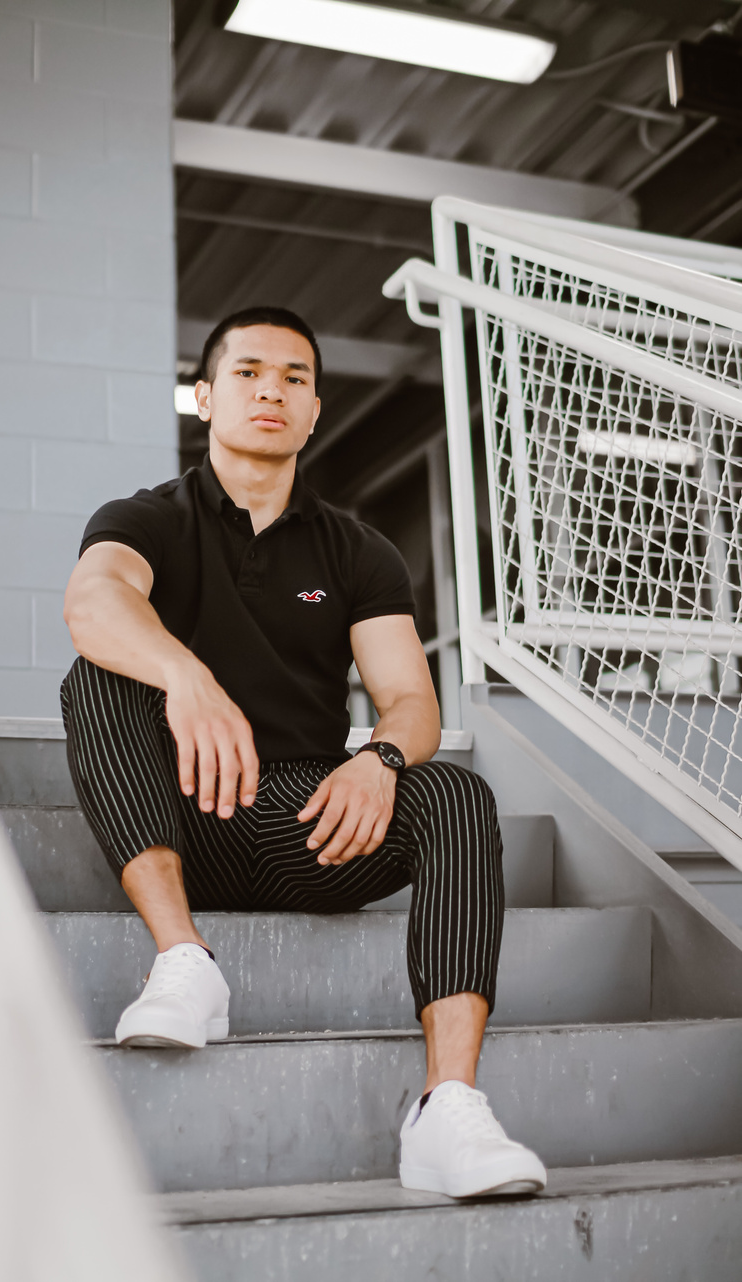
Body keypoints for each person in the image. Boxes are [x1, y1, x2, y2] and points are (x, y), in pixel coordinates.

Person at [61, 305, 546, 1200]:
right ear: (204, 397)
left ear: (315, 409)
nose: (270, 391)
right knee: (97, 675)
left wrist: (379, 762)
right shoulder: (148, 518)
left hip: (306, 822)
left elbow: (408, 700)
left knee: (456, 797)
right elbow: (93, 604)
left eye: (292, 378)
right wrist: (188, 679)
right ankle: (182, 960)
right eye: (246, 373)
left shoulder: (356, 550)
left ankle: (447, 1109)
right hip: (179, 811)